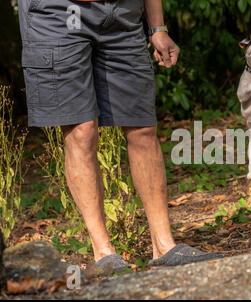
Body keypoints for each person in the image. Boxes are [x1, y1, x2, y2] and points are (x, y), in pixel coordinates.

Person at [18, 0, 223, 273]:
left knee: (142, 127)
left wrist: (157, 27)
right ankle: (103, 252)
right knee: (81, 130)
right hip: (58, 13)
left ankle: (164, 246)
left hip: (122, 16)